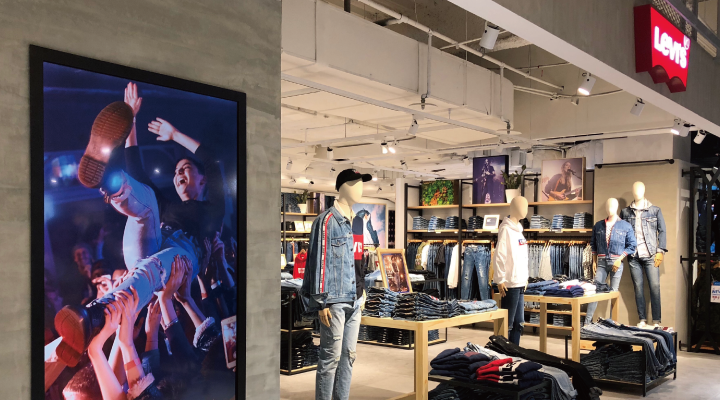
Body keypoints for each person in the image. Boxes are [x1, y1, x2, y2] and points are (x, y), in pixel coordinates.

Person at [54, 82, 227, 367]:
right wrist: (130, 120)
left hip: (184, 256)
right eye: (176, 172)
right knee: (145, 198)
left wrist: (174, 135)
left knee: (154, 265)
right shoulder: (168, 206)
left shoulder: (214, 209)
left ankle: (94, 314)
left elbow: (210, 159)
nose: (179, 174)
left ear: (202, 180)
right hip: (153, 241)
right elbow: (137, 168)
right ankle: (108, 180)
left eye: (185, 169)